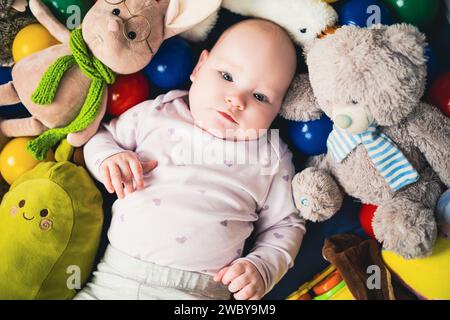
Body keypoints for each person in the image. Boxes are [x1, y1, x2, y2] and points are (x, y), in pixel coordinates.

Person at [75, 19, 305, 300]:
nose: (237, 100)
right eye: (227, 76)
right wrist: (109, 158)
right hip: (112, 279)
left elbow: (286, 225)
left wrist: (263, 267)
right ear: (199, 68)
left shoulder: (270, 155)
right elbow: (100, 137)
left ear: (278, 109)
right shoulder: (158, 112)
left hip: (198, 295)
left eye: (260, 96)